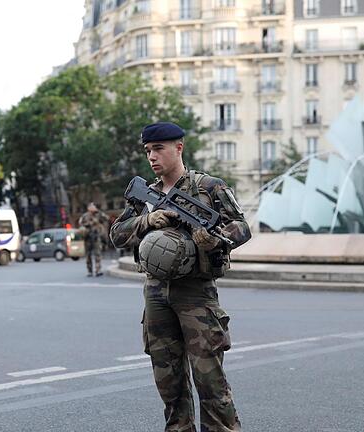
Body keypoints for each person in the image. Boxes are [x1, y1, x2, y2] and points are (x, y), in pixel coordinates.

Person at [110, 121, 252, 432]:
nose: (152, 156)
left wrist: (214, 239)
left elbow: (241, 228)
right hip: (156, 294)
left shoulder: (208, 187)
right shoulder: (144, 194)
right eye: (148, 151)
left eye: (158, 149)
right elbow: (117, 234)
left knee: (210, 383)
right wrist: (148, 219)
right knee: (169, 385)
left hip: (196, 292)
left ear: (179, 148)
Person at [78, 202, 109, 277]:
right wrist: (90, 223)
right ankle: (89, 271)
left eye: (94, 206)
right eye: (92, 206)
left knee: (97, 254)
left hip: (96, 237)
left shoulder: (98, 214)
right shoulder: (85, 216)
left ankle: (98, 270)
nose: (93, 207)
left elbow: (106, 218)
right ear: (88, 208)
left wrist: (98, 211)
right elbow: (80, 223)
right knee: (88, 255)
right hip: (88, 237)